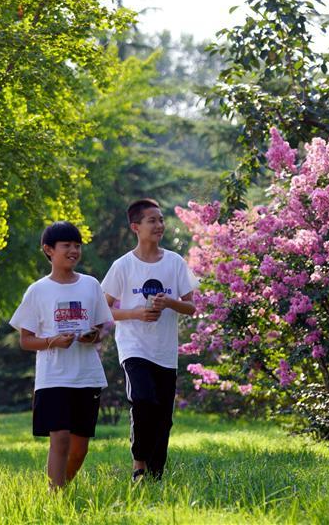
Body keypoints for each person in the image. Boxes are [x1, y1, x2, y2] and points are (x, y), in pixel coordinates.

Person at [10, 221, 113, 489]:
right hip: (53, 377)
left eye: (77, 246)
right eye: (66, 245)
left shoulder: (91, 285)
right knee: (61, 439)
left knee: (80, 449)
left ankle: (61, 487)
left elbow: (104, 325)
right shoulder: (37, 290)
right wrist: (52, 341)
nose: (73, 251)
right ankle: (55, 498)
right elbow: (26, 340)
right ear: (48, 249)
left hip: (87, 376)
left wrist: (96, 336)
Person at [100, 199, 197, 482]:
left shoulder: (175, 262)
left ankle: (155, 475)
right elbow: (103, 307)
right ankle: (138, 464)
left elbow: (191, 307)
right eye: (151, 220)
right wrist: (136, 313)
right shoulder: (123, 265)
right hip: (134, 347)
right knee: (142, 400)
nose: (159, 225)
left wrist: (169, 303)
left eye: (161, 220)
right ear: (136, 227)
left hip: (165, 351)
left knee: (163, 416)